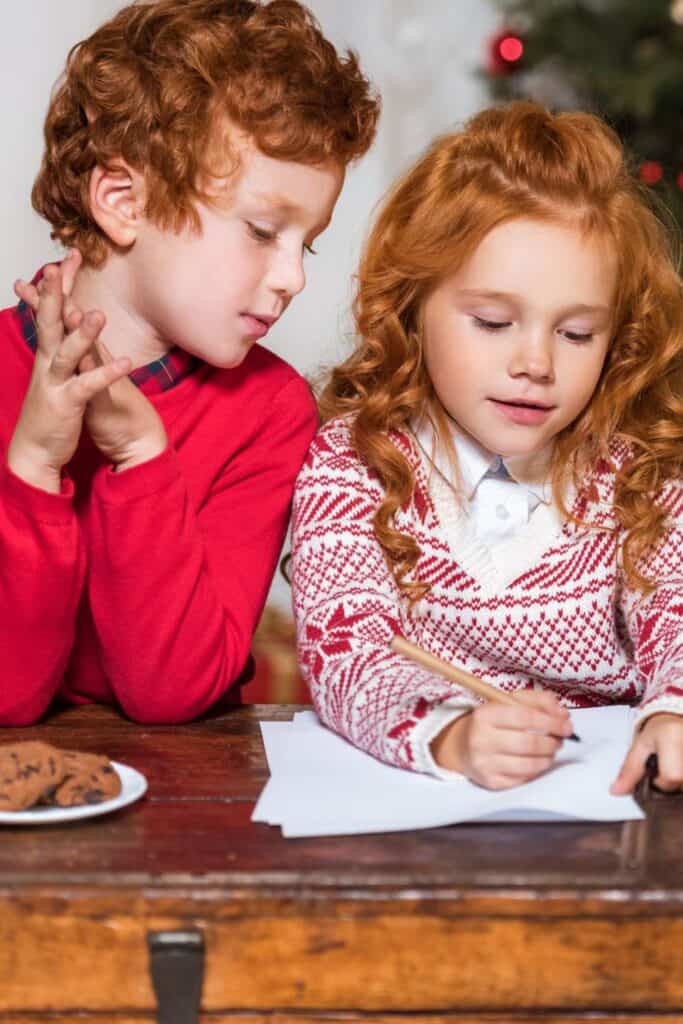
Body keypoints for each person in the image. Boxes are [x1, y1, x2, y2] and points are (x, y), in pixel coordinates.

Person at [0, 0, 379, 726]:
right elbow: (7, 697)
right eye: (263, 232)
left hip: (186, 812)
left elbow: (173, 693)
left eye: (308, 244)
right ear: (121, 200)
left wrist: (141, 454)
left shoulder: (270, 411)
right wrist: (35, 469)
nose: (292, 279)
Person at [290, 101, 683, 794]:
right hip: (413, 808)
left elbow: (674, 603)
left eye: (576, 334)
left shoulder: (638, 470)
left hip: (611, 814)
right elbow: (342, 642)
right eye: (494, 321)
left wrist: (673, 708)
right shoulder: (351, 464)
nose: (534, 362)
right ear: (411, 307)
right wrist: (447, 731)